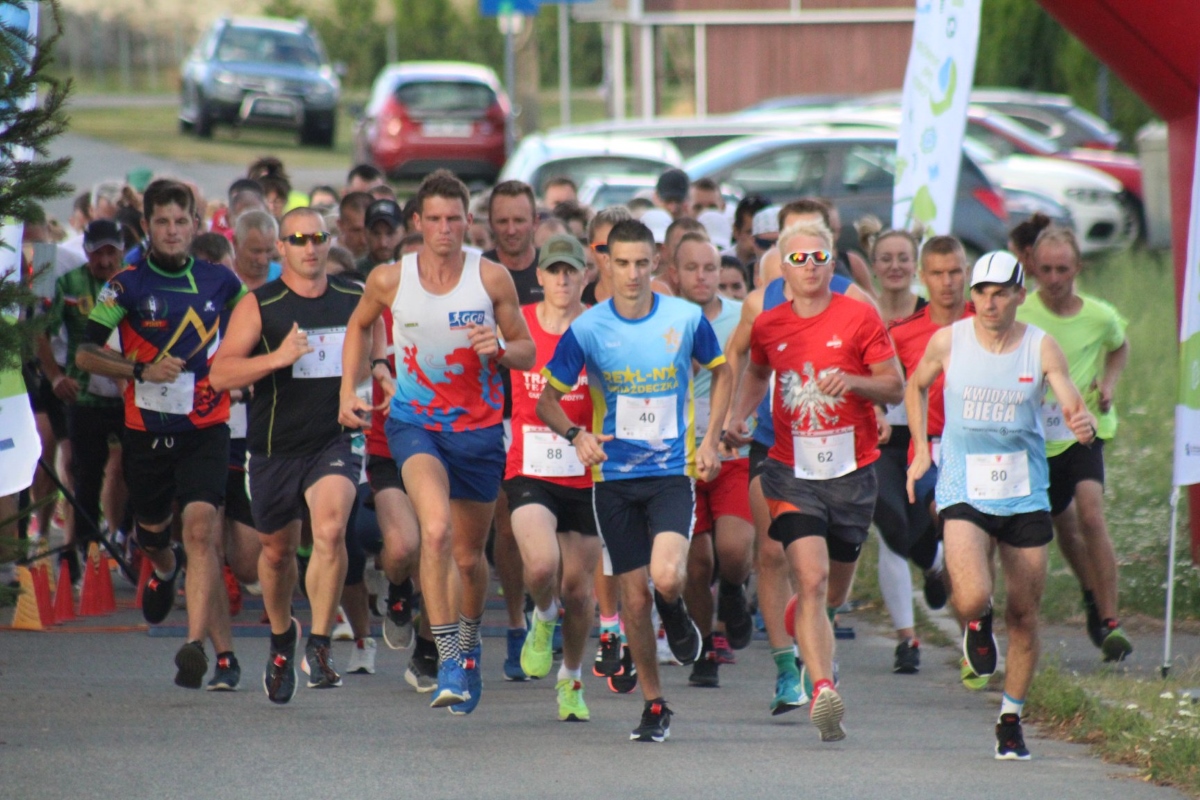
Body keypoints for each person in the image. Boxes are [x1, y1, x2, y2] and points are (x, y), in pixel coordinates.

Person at [339, 169, 535, 715]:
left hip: (477, 433)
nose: (444, 229)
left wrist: (497, 346)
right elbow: (359, 325)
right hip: (414, 424)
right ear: (417, 222)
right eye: (434, 219)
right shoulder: (389, 279)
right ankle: (447, 656)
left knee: (472, 560)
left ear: (468, 222)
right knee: (436, 530)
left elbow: (527, 353)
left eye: (454, 219)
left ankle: (467, 648)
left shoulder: (491, 278)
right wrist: (347, 391)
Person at [538, 218, 731, 743]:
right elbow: (546, 400)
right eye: (621, 263)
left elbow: (723, 369)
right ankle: (654, 705)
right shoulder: (588, 328)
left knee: (666, 577)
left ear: (658, 264)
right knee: (633, 600)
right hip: (614, 479)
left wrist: (710, 439)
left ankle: (678, 611)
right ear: (604, 263)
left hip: (671, 472)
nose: (632, 274)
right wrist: (577, 434)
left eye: (642, 263)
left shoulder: (686, 318)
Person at [905, 250, 1097, 760]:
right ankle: (974, 622)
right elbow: (915, 385)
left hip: (1023, 492)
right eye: (982, 293)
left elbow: (1071, 402)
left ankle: (1010, 718)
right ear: (972, 296)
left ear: (1018, 295)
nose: (990, 303)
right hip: (964, 488)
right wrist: (923, 448)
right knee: (971, 596)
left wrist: (1082, 423)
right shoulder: (949, 340)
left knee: (1025, 613)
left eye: (1000, 293)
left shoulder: (1040, 347)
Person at [726, 219, 902, 743]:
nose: (809, 268)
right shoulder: (770, 324)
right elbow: (757, 370)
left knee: (830, 592)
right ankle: (823, 688)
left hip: (851, 470)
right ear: (782, 267)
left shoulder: (859, 316)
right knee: (812, 577)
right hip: (790, 469)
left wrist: (852, 381)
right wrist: (740, 414)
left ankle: (811, 625)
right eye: (798, 260)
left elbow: (893, 385)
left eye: (818, 258)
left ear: (832, 263)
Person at [76, 179, 246, 690]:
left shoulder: (221, 281)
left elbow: (252, 333)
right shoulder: (126, 285)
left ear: (196, 225)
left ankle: (201, 648)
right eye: (163, 223)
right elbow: (85, 354)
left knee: (201, 530)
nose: (173, 232)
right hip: (146, 431)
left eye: (181, 221)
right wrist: (139, 369)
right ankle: (163, 568)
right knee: (155, 533)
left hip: (205, 427)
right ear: (147, 227)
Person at [210, 207, 366, 703]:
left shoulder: (351, 298)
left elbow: (375, 334)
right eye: (298, 239)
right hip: (275, 446)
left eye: (318, 237)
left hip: (332, 440)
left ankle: (319, 643)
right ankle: (283, 638)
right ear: (282, 249)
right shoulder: (261, 305)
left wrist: (372, 373)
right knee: (274, 555)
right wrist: (277, 357)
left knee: (332, 528)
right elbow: (220, 375)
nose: (310, 247)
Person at [1017, 226, 1132, 661]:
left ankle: (1110, 621)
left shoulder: (1098, 315)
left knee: (1090, 512)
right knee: (1058, 526)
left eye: (1063, 269)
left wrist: (1110, 382)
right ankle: (1086, 596)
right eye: (1045, 269)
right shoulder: (1022, 312)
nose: (1054, 278)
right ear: (1032, 267)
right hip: (1033, 438)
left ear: (1078, 267)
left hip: (1083, 430)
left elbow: (1119, 347)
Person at [504, 234, 601, 720]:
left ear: (586, 275)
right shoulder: (519, 324)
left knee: (580, 592)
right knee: (542, 567)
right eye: (554, 270)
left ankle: (571, 678)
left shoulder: (600, 326)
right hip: (531, 467)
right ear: (539, 276)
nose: (562, 279)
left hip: (587, 471)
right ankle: (542, 617)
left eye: (571, 270)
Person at [873, 231, 972, 674]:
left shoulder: (984, 320)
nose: (948, 282)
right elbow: (884, 381)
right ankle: (929, 578)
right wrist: (874, 409)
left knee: (961, 535)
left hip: (971, 447)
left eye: (955, 272)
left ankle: (974, 632)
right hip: (909, 447)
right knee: (896, 527)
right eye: (938, 273)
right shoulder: (896, 329)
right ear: (923, 276)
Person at [672, 233, 754, 688]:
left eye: (710, 269)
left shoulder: (741, 318)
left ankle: (735, 590)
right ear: (674, 272)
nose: (702, 278)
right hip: (680, 460)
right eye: (692, 269)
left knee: (733, 551)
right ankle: (704, 646)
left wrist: (743, 414)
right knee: (696, 563)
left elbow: (761, 371)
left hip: (731, 452)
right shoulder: (662, 319)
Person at [38, 220, 128, 585]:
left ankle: (126, 538)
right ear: (86, 251)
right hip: (87, 395)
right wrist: (56, 376)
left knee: (138, 470)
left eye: (111, 252)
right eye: (97, 253)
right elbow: (40, 330)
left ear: (122, 251)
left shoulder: (133, 283)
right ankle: (82, 553)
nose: (105, 260)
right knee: (85, 474)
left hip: (130, 393)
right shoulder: (70, 282)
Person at [482, 178, 543, 679]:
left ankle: (552, 609)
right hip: (496, 411)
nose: (511, 229)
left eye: (519, 220)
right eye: (502, 221)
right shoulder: (478, 274)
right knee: (506, 518)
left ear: (535, 222)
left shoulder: (557, 272)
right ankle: (518, 621)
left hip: (551, 413)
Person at [233, 209, 281, 289]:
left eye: (269, 251)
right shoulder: (220, 280)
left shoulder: (285, 278)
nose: (263, 261)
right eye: (256, 251)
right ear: (236, 243)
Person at [356, 198, 404, 276]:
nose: (383, 243)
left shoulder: (415, 271)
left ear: (403, 231)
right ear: (365, 233)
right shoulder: (354, 272)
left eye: (390, 233)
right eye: (376, 234)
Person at [337, 192, 373, 261]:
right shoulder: (325, 255)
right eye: (356, 231)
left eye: (369, 230)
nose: (363, 240)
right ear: (340, 225)